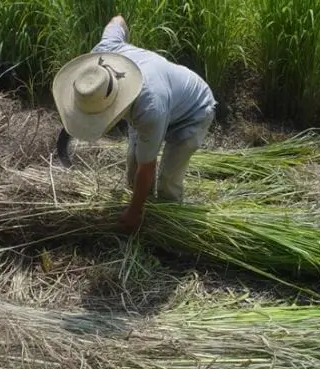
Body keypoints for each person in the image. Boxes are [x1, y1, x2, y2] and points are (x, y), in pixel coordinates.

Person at [52, 15, 217, 232]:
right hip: (155, 98)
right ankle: (142, 204)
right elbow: (117, 20)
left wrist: (133, 211)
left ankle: (166, 228)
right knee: (133, 169)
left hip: (193, 112)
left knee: (168, 181)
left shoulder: (148, 109)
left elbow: (147, 167)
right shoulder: (101, 59)